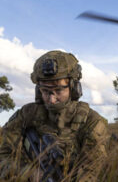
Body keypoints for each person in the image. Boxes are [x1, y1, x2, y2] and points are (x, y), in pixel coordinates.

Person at [0, 50, 108, 181]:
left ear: (74, 88)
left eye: (58, 90)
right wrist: (29, 173)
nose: (51, 99)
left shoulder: (92, 122)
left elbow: (92, 173)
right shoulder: (27, 115)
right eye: (45, 91)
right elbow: (3, 155)